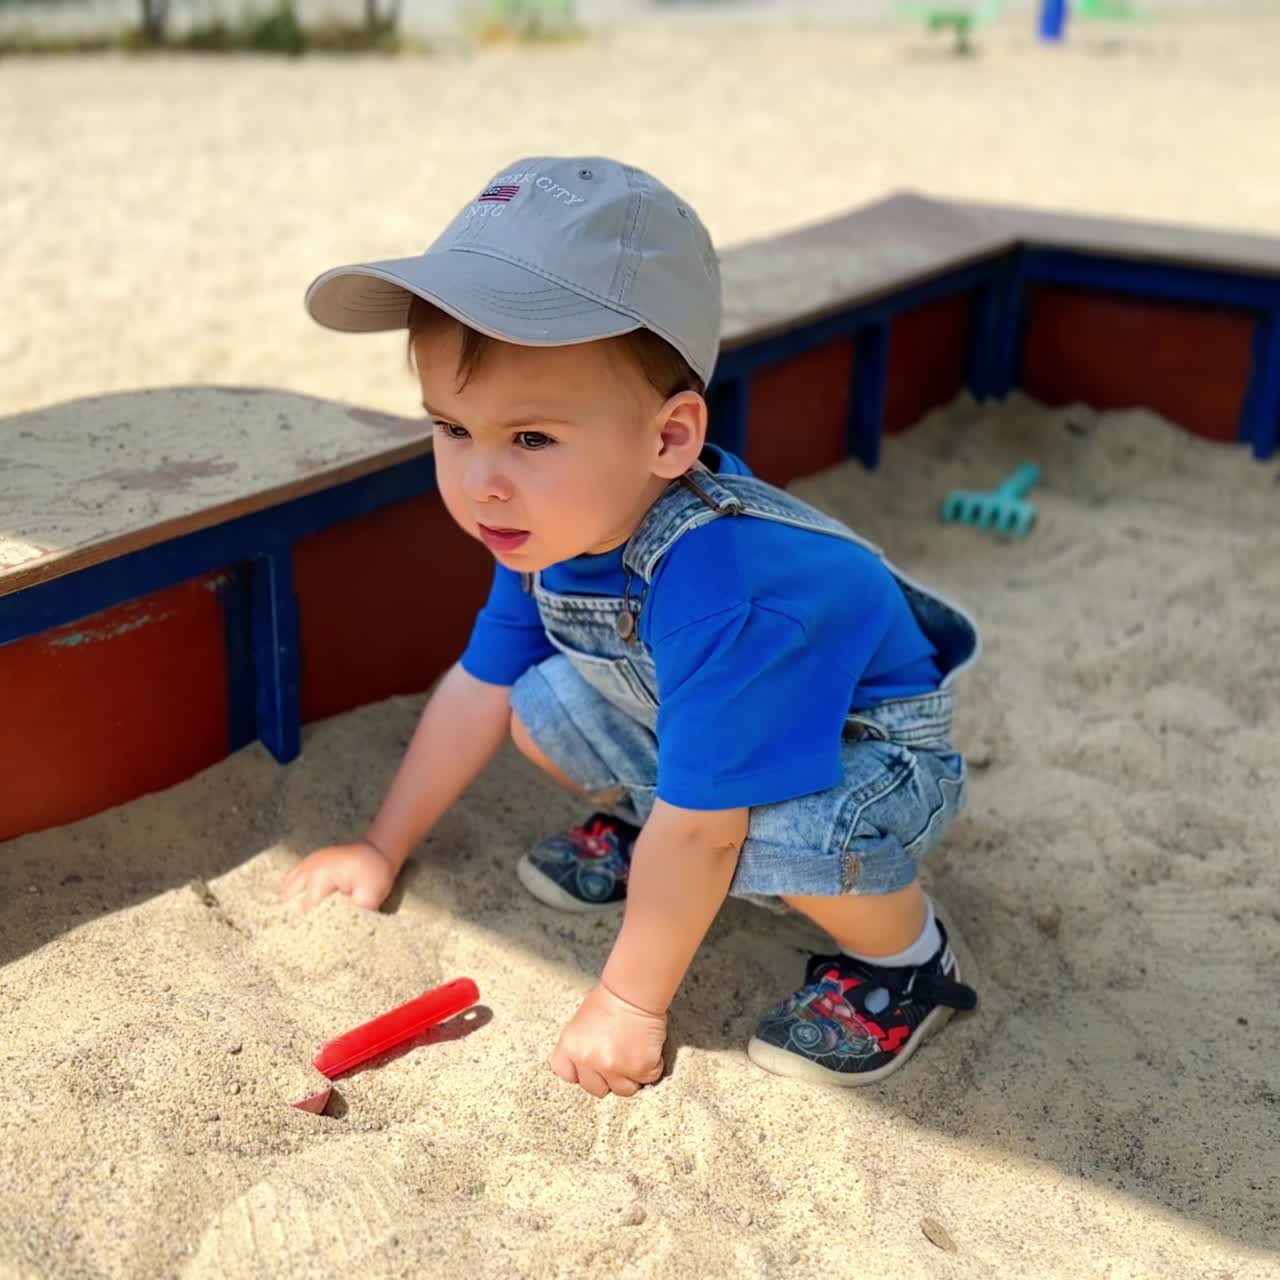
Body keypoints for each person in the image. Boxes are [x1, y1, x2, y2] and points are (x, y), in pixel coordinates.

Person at [281, 155, 981, 1098]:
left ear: (669, 438)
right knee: (537, 701)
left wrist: (629, 1002)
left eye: (530, 438)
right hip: (709, 727)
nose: (481, 478)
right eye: (451, 428)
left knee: (775, 834)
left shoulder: (720, 585)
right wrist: (381, 847)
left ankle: (914, 963)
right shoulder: (544, 525)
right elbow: (478, 687)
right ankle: (637, 818)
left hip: (871, 759)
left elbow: (704, 833)